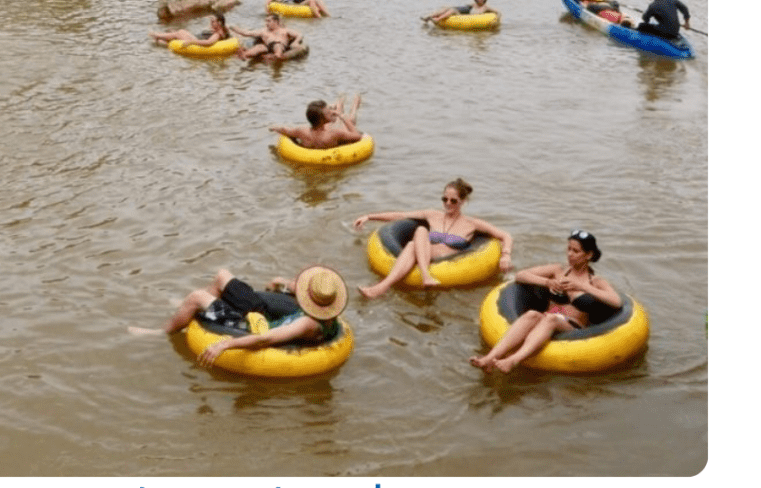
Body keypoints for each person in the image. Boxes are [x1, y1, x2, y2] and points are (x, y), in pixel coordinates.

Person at [127, 265, 348, 367]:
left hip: (249, 328)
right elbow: (299, 291)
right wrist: (282, 283)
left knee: (196, 297)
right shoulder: (327, 311)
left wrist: (223, 346)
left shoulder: (306, 324)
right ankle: (193, 307)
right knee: (222, 275)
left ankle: (162, 331)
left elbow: (265, 339)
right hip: (264, 318)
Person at [469, 230, 621, 373]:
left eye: (575, 251)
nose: (570, 254)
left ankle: (513, 360)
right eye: (568, 249)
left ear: (588, 255)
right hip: (547, 319)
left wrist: (582, 287)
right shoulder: (558, 270)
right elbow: (521, 275)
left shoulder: (595, 281)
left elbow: (616, 301)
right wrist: (547, 282)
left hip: (572, 326)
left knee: (551, 318)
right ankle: (489, 359)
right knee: (532, 314)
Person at [354, 179, 513, 296]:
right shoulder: (432, 215)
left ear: (463, 201)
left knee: (413, 243)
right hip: (426, 254)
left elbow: (505, 236)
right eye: (445, 199)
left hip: (448, 259)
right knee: (420, 232)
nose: (448, 203)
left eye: (453, 200)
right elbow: (400, 215)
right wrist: (369, 216)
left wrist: (505, 255)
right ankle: (418, 278)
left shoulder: (472, 224)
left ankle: (382, 287)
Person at [269, 94, 363, 149]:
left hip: (318, 130)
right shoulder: (334, 134)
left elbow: (285, 130)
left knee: (336, 118)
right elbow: (357, 136)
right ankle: (354, 106)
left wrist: (274, 128)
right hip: (331, 138)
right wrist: (342, 117)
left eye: (329, 111)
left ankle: (338, 103)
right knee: (350, 120)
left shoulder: (302, 131)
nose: (330, 113)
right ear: (322, 120)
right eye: (328, 112)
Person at [229, 13, 304, 62]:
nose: (266, 23)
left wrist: (295, 42)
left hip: (280, 45)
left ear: (275, 22)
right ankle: (244, 55)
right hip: (268, 47)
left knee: (277, 45)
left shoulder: (284, 30)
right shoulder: (263, 31)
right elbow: (246, 33)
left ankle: (277, 56)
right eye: (266, 21)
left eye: (268, 21)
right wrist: (233, 28)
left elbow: (299, 35)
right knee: (259, 47)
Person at [150, 13, 230, 47]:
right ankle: (159, 40)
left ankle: (157, 35)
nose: (211, 23)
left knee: (180, 32)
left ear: (219, 23)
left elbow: (208, 43)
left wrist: (191, 42)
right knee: (175, 32)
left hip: (195, 41)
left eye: (213, 21)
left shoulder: (218, 34)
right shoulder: (220, 29)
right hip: (197, 37)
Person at [423, 0, 499, 24]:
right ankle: (429, 17)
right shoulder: (473, 5)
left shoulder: (486, 7)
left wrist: (496, 20)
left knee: (452, 10)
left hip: (470, 20)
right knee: (448, 8)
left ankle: (438, 19)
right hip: (464, 18)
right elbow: (463, 8)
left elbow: (497, 13)